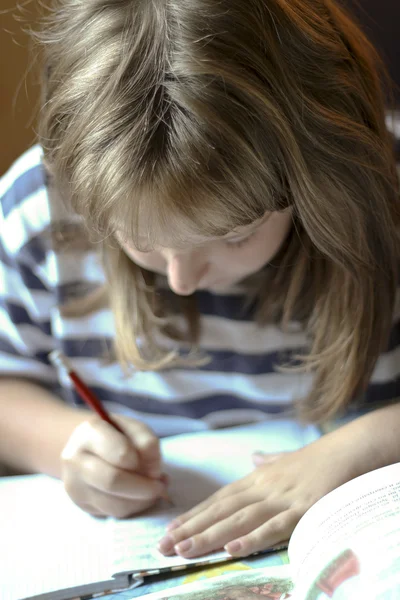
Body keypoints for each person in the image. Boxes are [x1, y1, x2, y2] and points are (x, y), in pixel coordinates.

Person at [0, 0, 399, 560]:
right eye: (139, 240)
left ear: (316, 180)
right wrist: (63, 443)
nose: (182, 279)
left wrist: (364, 448)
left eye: (236, 235)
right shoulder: (40, 214)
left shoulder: (387, 202)